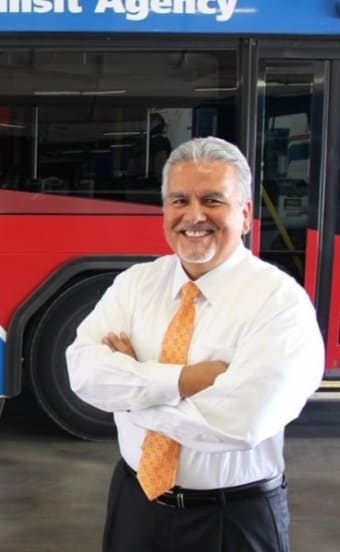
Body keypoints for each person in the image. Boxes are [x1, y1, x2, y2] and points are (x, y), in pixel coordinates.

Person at [66, 136, 323, 551]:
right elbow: (83, 373)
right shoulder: (135, 284)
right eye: (179, 200)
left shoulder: (280, 303)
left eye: (212, 200)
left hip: (231, 520)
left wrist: (130, 393)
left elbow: (240, 422)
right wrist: (185, 381)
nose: (194, 215)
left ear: (245, 214)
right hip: (135, 503)